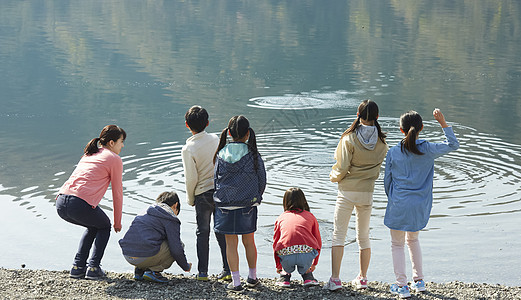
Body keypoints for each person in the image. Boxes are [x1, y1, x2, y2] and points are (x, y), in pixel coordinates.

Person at [384, 109, 459, 298]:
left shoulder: (393, 152)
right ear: (422, 128)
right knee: (413, 240)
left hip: (399, 203)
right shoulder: (428, 149)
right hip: (420, 205)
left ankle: (401, 285)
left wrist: (393, 199)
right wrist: (443, 123)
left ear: (401, 130)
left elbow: (387, 181)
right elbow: (453, 144)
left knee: (397, 244)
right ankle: (419, 281)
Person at [324, 100, 388, 291]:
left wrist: (333, 177)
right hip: (367, 193)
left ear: (357, 115)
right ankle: (362, 278)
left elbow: (341, 168)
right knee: (364, 237)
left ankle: (335, 279)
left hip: (347, 192)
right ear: (377, 117)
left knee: (338, 235)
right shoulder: (382, 142)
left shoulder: (349, 139)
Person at [56, 125, 126, 280]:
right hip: (78, 204)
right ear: (112, 143)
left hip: (61, 202)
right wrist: (117, 221)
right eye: (121, 141)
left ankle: (77, 267)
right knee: (104, 225)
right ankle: (93, 267)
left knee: (94, 225)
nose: (123, 145)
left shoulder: (90, 153)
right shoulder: (114, 159)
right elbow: (117, 193)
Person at [213, 115, 266, 292]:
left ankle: (236, 282)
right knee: (249, 242)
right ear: (248, 134)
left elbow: (215, 181)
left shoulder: (221, 153)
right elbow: (262, 180)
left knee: (231, 244)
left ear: (228, 133)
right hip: (247, 205)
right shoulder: (253, 153)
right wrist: (255, 197)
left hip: (225, 205)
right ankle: (252, 278)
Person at [181, 105, 230, 281]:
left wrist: (190, 198)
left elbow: (190, 178)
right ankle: (228, 270)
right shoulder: (215, 139)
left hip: (202, 194)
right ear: (208, 123)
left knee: (203, 232)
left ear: (187, 125)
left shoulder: (188, 149)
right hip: (220, 191)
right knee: (221, 231)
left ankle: (203, 273)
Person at [118, 191, 192, 283]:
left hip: (128, 255)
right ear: (175, 205)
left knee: (150, 240)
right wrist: (185, 266)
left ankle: (139, 270)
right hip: (144, 256)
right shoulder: (170, 217)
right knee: (179, 244)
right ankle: (153, 272)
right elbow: (176, 249)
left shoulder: (145, 211)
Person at [273, 188, 321, 288]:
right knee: (307, 252)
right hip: (306, 256)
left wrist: (278, 265)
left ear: (285, 202)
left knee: (285, 247)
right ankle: (308, 276)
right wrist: (314, 263)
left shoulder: (281, 217)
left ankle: (285, 276)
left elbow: (276, 243)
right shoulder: (310, 216)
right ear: (303, 201)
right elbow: (318, 241)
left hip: (287, 257)